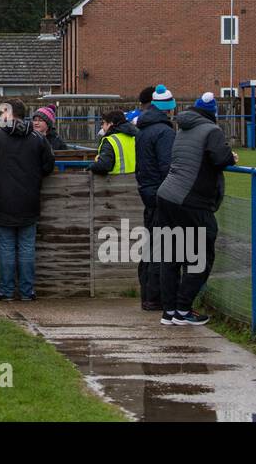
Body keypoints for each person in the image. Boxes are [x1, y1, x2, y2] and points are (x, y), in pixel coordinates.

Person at [154, 92, 237, 326]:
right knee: (202, 255)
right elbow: (220, 159)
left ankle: (169, 311)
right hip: (191, 201)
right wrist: (231, 156)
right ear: (213, 114)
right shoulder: (212, 131)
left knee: (171, 256)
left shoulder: (182, 129)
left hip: (167, 195)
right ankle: (183, 309)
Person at [0, 100, 55, 302]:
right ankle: (27, 291)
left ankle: (6, 289)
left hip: (1, 199)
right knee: (27, 247)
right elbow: (48, 165)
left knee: (6, 247)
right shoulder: (37, 138)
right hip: (29, 199)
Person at [132, 84, 177, 312]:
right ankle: (156, 297)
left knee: (151, 246)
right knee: (162, 248)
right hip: (161, 193)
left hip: (147, 191)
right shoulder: (165, 132)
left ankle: (148, 295)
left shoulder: (143, 129)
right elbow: (168, 167)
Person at [89, 109, 139, 175]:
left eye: (103, 123)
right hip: (137, 181)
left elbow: (104, 166)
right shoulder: (135, 137)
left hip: (116, 183)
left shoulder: (110, 140)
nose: (102, 126)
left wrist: (91, 167)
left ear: (110, 124)